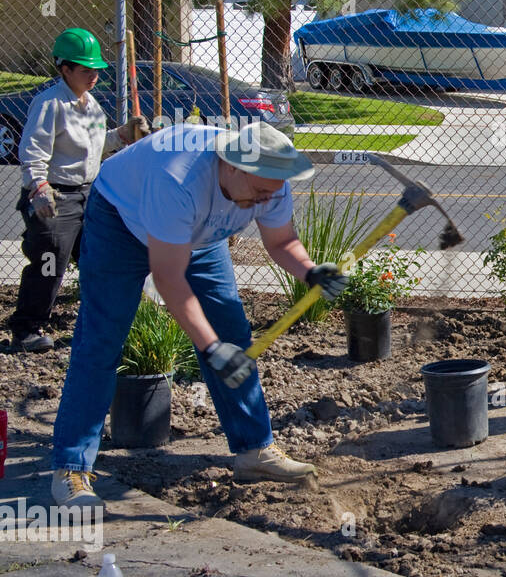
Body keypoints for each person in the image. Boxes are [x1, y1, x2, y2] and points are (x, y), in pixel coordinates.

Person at [47, 120, 349, 507]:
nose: (263, 203)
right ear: (234, 166)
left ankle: (254, 451)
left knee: (231, 333)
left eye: (269, 196)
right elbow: (169, 278)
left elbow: (281, 240)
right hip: (122, 221)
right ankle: (71, 467)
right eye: (257, 193)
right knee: (101, 340)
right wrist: (209, 347)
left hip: (197, 233)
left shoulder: (270, 181)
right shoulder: (178, 178)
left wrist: (310, 271)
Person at [10, 28, 148, 352]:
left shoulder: (91, 106)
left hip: (90, 196)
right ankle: (27, 328)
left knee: (101, 260)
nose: (94, 76)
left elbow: (96, 146)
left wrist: (124, 134)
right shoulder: (49, 104)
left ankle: (104, 322)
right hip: (55, 198)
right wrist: (38, 188)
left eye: (96, 70)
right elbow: (32, 151)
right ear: (64, 68)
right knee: (49, 262)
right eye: (86, 70)